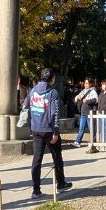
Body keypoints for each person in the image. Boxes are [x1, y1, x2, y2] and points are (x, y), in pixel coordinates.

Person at [25, 68, 72, 199]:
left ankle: (36, 189)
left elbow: (25, 105)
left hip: (36, 129)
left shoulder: (32, 91)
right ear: (52, 79)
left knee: (37, 159)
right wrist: (56, 132)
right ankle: (61, 183)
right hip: (49, 129)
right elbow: (54, 114)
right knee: (57, 157)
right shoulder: (53, 93)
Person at [72, 78, 98, 148]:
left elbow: (95, 100)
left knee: (91, 128)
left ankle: (93, 141)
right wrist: (77, 97)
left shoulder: (93, 91)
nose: (85, 85)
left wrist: (87, 101)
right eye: (85, 83)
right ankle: (77, 141)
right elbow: (79, 96)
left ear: (91, 84)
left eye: (87, 83)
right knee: (81, 128)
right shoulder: (84, 90)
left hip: (90, 113)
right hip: (83, 112)